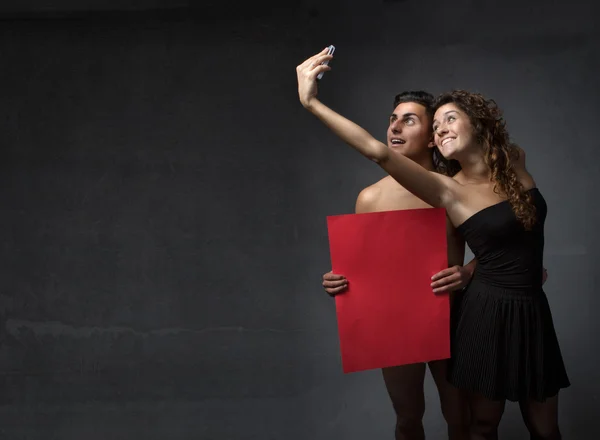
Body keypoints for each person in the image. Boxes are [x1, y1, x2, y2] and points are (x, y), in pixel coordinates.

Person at [296, 48, 569, 440]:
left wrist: (479, 270)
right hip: (444, 318)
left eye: (443, 120)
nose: (438, 130)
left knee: (516, 424)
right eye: (435, 125)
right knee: (448, 421)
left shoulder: (506, 163)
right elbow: (376, 156)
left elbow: (497, 242)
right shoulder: (441, 191)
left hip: (497, 312)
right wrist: (312, 102)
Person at [320, 90, 474, 440]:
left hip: (452, 319)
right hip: (395, 325)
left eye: (409, 120)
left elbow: (496, 250)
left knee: (461, 418)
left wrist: (467, 272)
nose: (395, 127)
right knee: (407, 418)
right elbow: (363, 269)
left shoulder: (454, 189)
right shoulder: (370, 197)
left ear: (433, 138)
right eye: (393, 118)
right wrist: (339, 282)